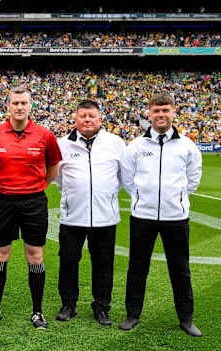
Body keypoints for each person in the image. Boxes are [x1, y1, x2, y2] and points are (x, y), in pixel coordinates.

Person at [119, 93, 203, 337]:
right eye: (156, 111)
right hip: (142, 217)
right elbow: (127, 179)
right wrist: (142, 199)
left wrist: (175, 199)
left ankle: (186, 319)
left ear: (174, 111)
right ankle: (132, 314)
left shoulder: (187, 146)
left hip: (175, 218)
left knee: (180, 269)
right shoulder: (136, 146)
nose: (161, 115)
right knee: (137, 267)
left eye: (165, 110)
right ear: (149, 113)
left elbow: (193, 180)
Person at [0, 86, 62, 329]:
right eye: (15, 103)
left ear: (30, 106)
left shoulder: (45, 135)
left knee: (35, 255)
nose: (19, 107)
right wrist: (3, 184)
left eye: (23, 103)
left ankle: (37, 312)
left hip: (34, 202)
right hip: (2, 200)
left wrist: (36, 187)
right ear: (8, 106)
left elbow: (52, 169)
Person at [53, 100, 126, 325]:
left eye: (91, 116)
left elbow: (123, 177)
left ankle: (102, 307)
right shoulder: (62, 144)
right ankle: (68, 304)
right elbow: (58, 179)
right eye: (83, 116)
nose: (87, 120)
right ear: (75, 118)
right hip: (73, 216)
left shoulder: (115, 142)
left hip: (105, 217)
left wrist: (105, 195)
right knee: (68, 260)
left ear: (100, 119)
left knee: (104, 263)